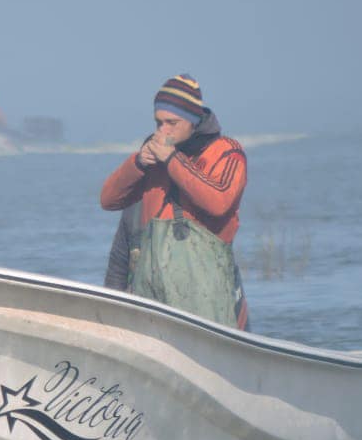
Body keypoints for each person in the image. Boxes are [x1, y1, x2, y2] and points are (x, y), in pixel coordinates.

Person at [100, 74, 250, 329]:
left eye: (172, 122)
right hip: (155, 297)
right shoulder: (151, 160)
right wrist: (137, 164)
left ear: (193, 122)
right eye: (158, 123)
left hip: (211, 298)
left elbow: (218, 202)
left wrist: (172, 160)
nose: (163, 131)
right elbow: (108, 200)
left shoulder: (227, 153)